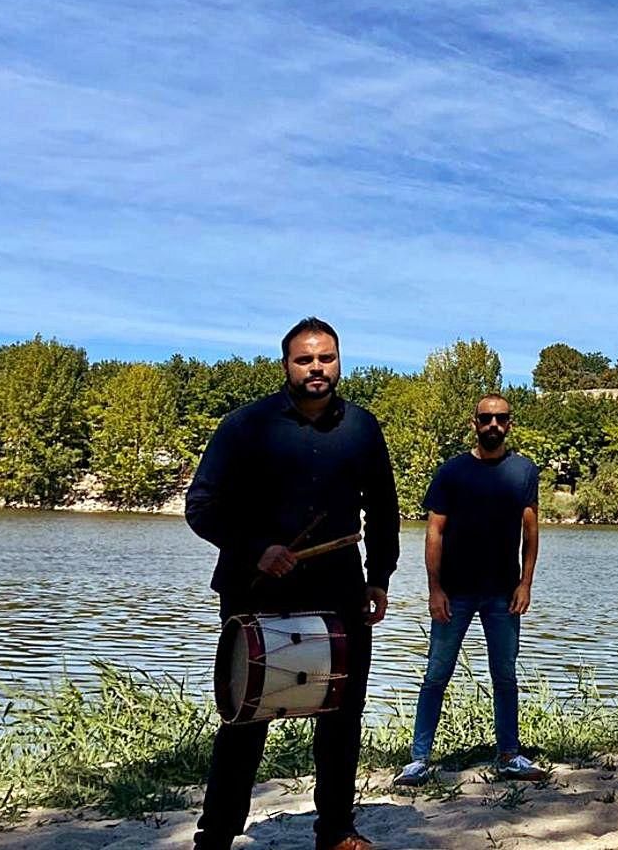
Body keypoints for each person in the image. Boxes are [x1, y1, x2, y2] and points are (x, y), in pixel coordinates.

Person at [185, 318, 399, 850]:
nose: (316, 369)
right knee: (245, 712)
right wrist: (257, 548)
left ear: (339, 361)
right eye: (305, 360)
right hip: (256, 587)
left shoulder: (363, 428)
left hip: (339, 588)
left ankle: (336, 830)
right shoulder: (245, 426)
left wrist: (380, 577)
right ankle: (216, 833)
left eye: (325, 358)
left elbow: (384, 509)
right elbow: (201, 506)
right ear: (287, 365)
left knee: (342, 711)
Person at [394, 394, 545, 786]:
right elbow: (434, 531)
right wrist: (434, 589)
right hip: (455, 592)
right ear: (474, 423)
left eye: (501, 418)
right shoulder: (452, 471)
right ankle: (419, 759)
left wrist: (526, 583)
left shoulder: (524, 472)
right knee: (435, 676)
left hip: (502, 592)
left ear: (509, 424)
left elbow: (531, 533)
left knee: (505, 675)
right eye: (486, 418)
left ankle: (509, 755)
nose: (493, 424)